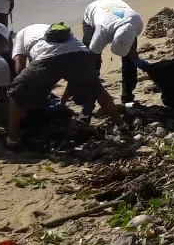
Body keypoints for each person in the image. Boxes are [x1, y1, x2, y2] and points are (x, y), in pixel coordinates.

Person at [7, 22, 125, 150]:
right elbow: (72, 77)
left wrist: (28, 88)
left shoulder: (21, 35)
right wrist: (62, 102)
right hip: (81, 54)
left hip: (48, 57)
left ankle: (12, 138)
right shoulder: (51, 30)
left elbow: (19, 68)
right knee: (98, 91)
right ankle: (121, 125)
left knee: (18, 91)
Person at [80, 0, 149, 115]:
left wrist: (138, 61)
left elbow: (132, 52)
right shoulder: (102, 31)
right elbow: (90, 61)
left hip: (118, 9)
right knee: (92, 64)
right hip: (94, 11)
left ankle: (128, 97)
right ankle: (88, 102)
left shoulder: (137, 24)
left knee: (130, 62)